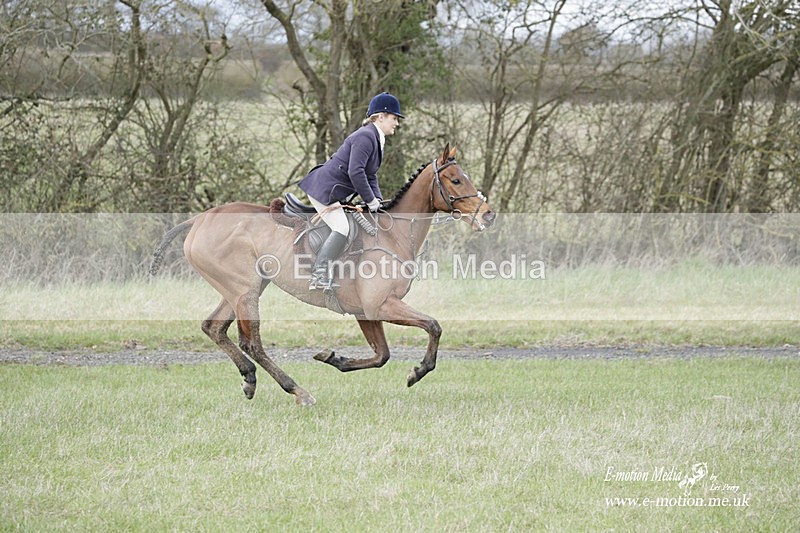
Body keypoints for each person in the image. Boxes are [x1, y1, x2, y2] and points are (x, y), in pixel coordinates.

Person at [297, 92, 404, 291]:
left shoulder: (376, 138)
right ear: (381, 117)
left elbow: (370, 175)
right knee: (342, 228)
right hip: (324, 190)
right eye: (394, 118)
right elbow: (356, 172)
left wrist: (377, 201)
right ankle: (319, 276)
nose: (396, 123)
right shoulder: (365, 136)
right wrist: (370, 200)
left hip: (335, 192)